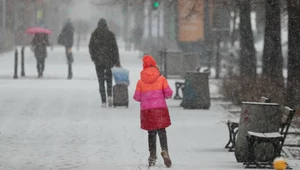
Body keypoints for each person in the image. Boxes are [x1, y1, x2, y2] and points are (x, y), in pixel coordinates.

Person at [133, 55, 173, 167]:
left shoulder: (140, 82)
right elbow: (169, 93)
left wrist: (145, 96)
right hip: (160, 110)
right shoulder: (161, 79)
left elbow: (136, 97)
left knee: (151, 133)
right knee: (162, 131)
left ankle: (152, 155)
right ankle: (165, 151)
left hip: (147, 111)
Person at [88, 18, 120, 107]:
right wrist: (117, 61)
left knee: (101, 81)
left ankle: (103, 100)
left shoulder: (95, 35)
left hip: (98, 62)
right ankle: (109, 95)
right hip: (109, 61)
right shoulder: (110, 35)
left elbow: (91, 47)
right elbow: (115, 49)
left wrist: (94, 58)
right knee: (109, 79)